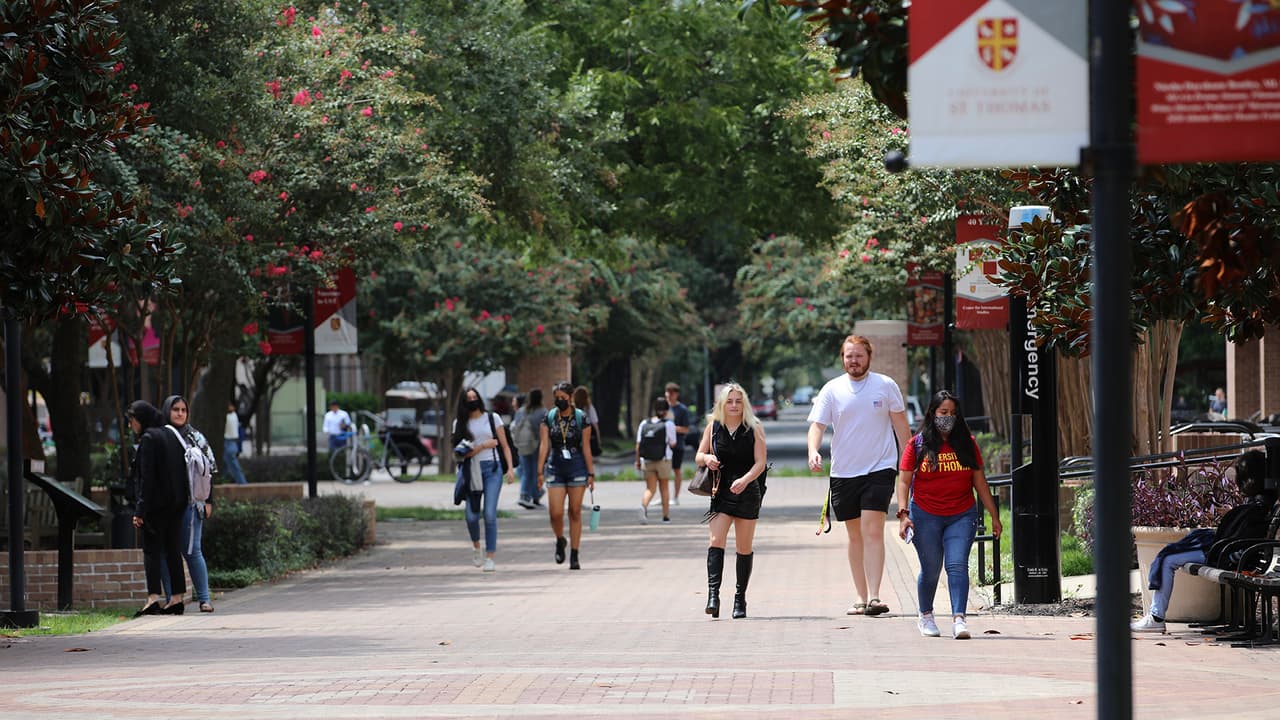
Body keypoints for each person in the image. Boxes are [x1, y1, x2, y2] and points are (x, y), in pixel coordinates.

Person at [807, 334, 911, 616]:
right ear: (842, 358)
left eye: (859, 355)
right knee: (855, 537)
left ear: (869, 356)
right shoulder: (832, 389)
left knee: (873, 529)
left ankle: (876, 597)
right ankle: (860, 597)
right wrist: (813, 450)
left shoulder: (885, 386)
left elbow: (902, 428)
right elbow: (817, 426)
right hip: (843, 472)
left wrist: (907, 464)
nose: (853, 361)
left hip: (880, 468)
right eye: (848, 356)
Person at [895, 390, 1002, 639]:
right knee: (931, 569)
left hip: (961, 514)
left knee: (956, 565)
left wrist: (994, 516)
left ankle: (959, 619)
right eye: (943, 413)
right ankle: (926, 616)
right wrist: (903, 515)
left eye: (953, 413)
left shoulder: (967, 443)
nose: (948, 418)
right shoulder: (917, 444)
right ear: (933, 413)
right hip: (925, 514)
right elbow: (903, 482)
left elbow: (980, 482)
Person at [1131, 450, 1276, 633]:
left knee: (1167, 559)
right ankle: (1155, 616)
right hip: (1228, 551)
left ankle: (1156, 617)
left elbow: (1238, 539)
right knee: (1172, 552)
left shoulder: (1257, 506)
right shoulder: (1262, 502)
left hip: (1227, 555)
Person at [695, 382, 768, 619]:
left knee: (743, 548)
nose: (734, 405)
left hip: (747, 492)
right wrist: (706, 458)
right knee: (716, 540)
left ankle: (740, 599)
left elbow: (760, 463)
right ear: (722, 404)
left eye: (738, 401)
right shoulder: (713, 427)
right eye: (729, 401)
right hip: (721, 491)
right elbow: (698, 455)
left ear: (744, 403)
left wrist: (746, 480)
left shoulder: (754, 428)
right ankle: (713, 596)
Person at [128, 400, 189, 616]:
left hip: (155, 507)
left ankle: (153, 598)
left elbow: (147, 478)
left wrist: (140, 511)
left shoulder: (148, 439)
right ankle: (176, 598)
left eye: (132, 420)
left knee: (152, 552)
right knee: (173, 549)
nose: (131, 425)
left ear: (140, 419)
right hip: (176, 504)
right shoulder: (171, 434)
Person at [159, 395, 218, 613]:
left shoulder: (196, 437)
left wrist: (209, 500)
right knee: (166, 552)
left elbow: (209, 470)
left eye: (184, 410)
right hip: (165, 506)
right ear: (168, 411)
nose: (180, 413)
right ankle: (172, 599)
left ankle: (204, 599)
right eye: (176, 409)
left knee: (192, 550)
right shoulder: (160, 435)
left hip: (192, 504)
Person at [451, 387, 517, 572]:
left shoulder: (492, 418)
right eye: (468, 398)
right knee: (471, 517)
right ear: (464, 402)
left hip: (492, 469)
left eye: (475, 397)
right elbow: (459, 455)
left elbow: (504, 446)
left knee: (489, 514)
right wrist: (483, 446)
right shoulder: (459, 424)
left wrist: (510, 469)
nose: (472, 400)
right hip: (471, 471)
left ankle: (490, 557)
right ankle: (476, 546)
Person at [537, 381, 595, 570]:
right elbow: (544, 445)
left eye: (563, 398)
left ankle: (575, 554)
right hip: (555, 467)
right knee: (555, 513)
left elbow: (586, 447)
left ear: (570, 398)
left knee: (575, 511)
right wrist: (539, 471)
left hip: (577, 467)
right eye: (557, 398)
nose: (560, 401)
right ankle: (560, 539)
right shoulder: (549, 417)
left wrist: (591, 472)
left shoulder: (581, 418)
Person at [635, 397, 676, 524]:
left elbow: (638, 445)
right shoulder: (668, 424)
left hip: (647, 460)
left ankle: (643, 507)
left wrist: (637, 461)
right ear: (666, 410)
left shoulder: (644, 423)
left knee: (650, 489)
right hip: (663, 460)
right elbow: (673, 443)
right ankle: (665, 517)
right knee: (664, 487)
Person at [513, 389, 547, 509]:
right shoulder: (543, 412)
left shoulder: (521, 411)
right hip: (536, 445)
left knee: (526, 471)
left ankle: (533, 494)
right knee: (535, 472)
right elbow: (544, 431)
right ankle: (528, 496)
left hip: (522, 445)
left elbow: (515, 427)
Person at [665, 382, 692, 507]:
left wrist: (671, 428)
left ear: (676, 394)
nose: (669, 395)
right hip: (663, 445)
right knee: (663, 472)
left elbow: (686, 429)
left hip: (677, 444)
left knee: (676, 470)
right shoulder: (663, 407)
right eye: (667, 392)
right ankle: (664, 496)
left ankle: (675, 497)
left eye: (672, 393)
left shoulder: (682, 410)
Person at [573, 385, 603, 458]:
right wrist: (598, 441)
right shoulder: (589, 408)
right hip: (588, 438)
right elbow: (595, 425)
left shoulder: (572, 409)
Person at [223, 401, 248, 485]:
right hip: (233, 442)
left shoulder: (228, 417)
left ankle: (243, 483)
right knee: (226, 466)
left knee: (233, 466)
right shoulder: (234, 415)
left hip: (227, 442)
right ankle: (221, 480)